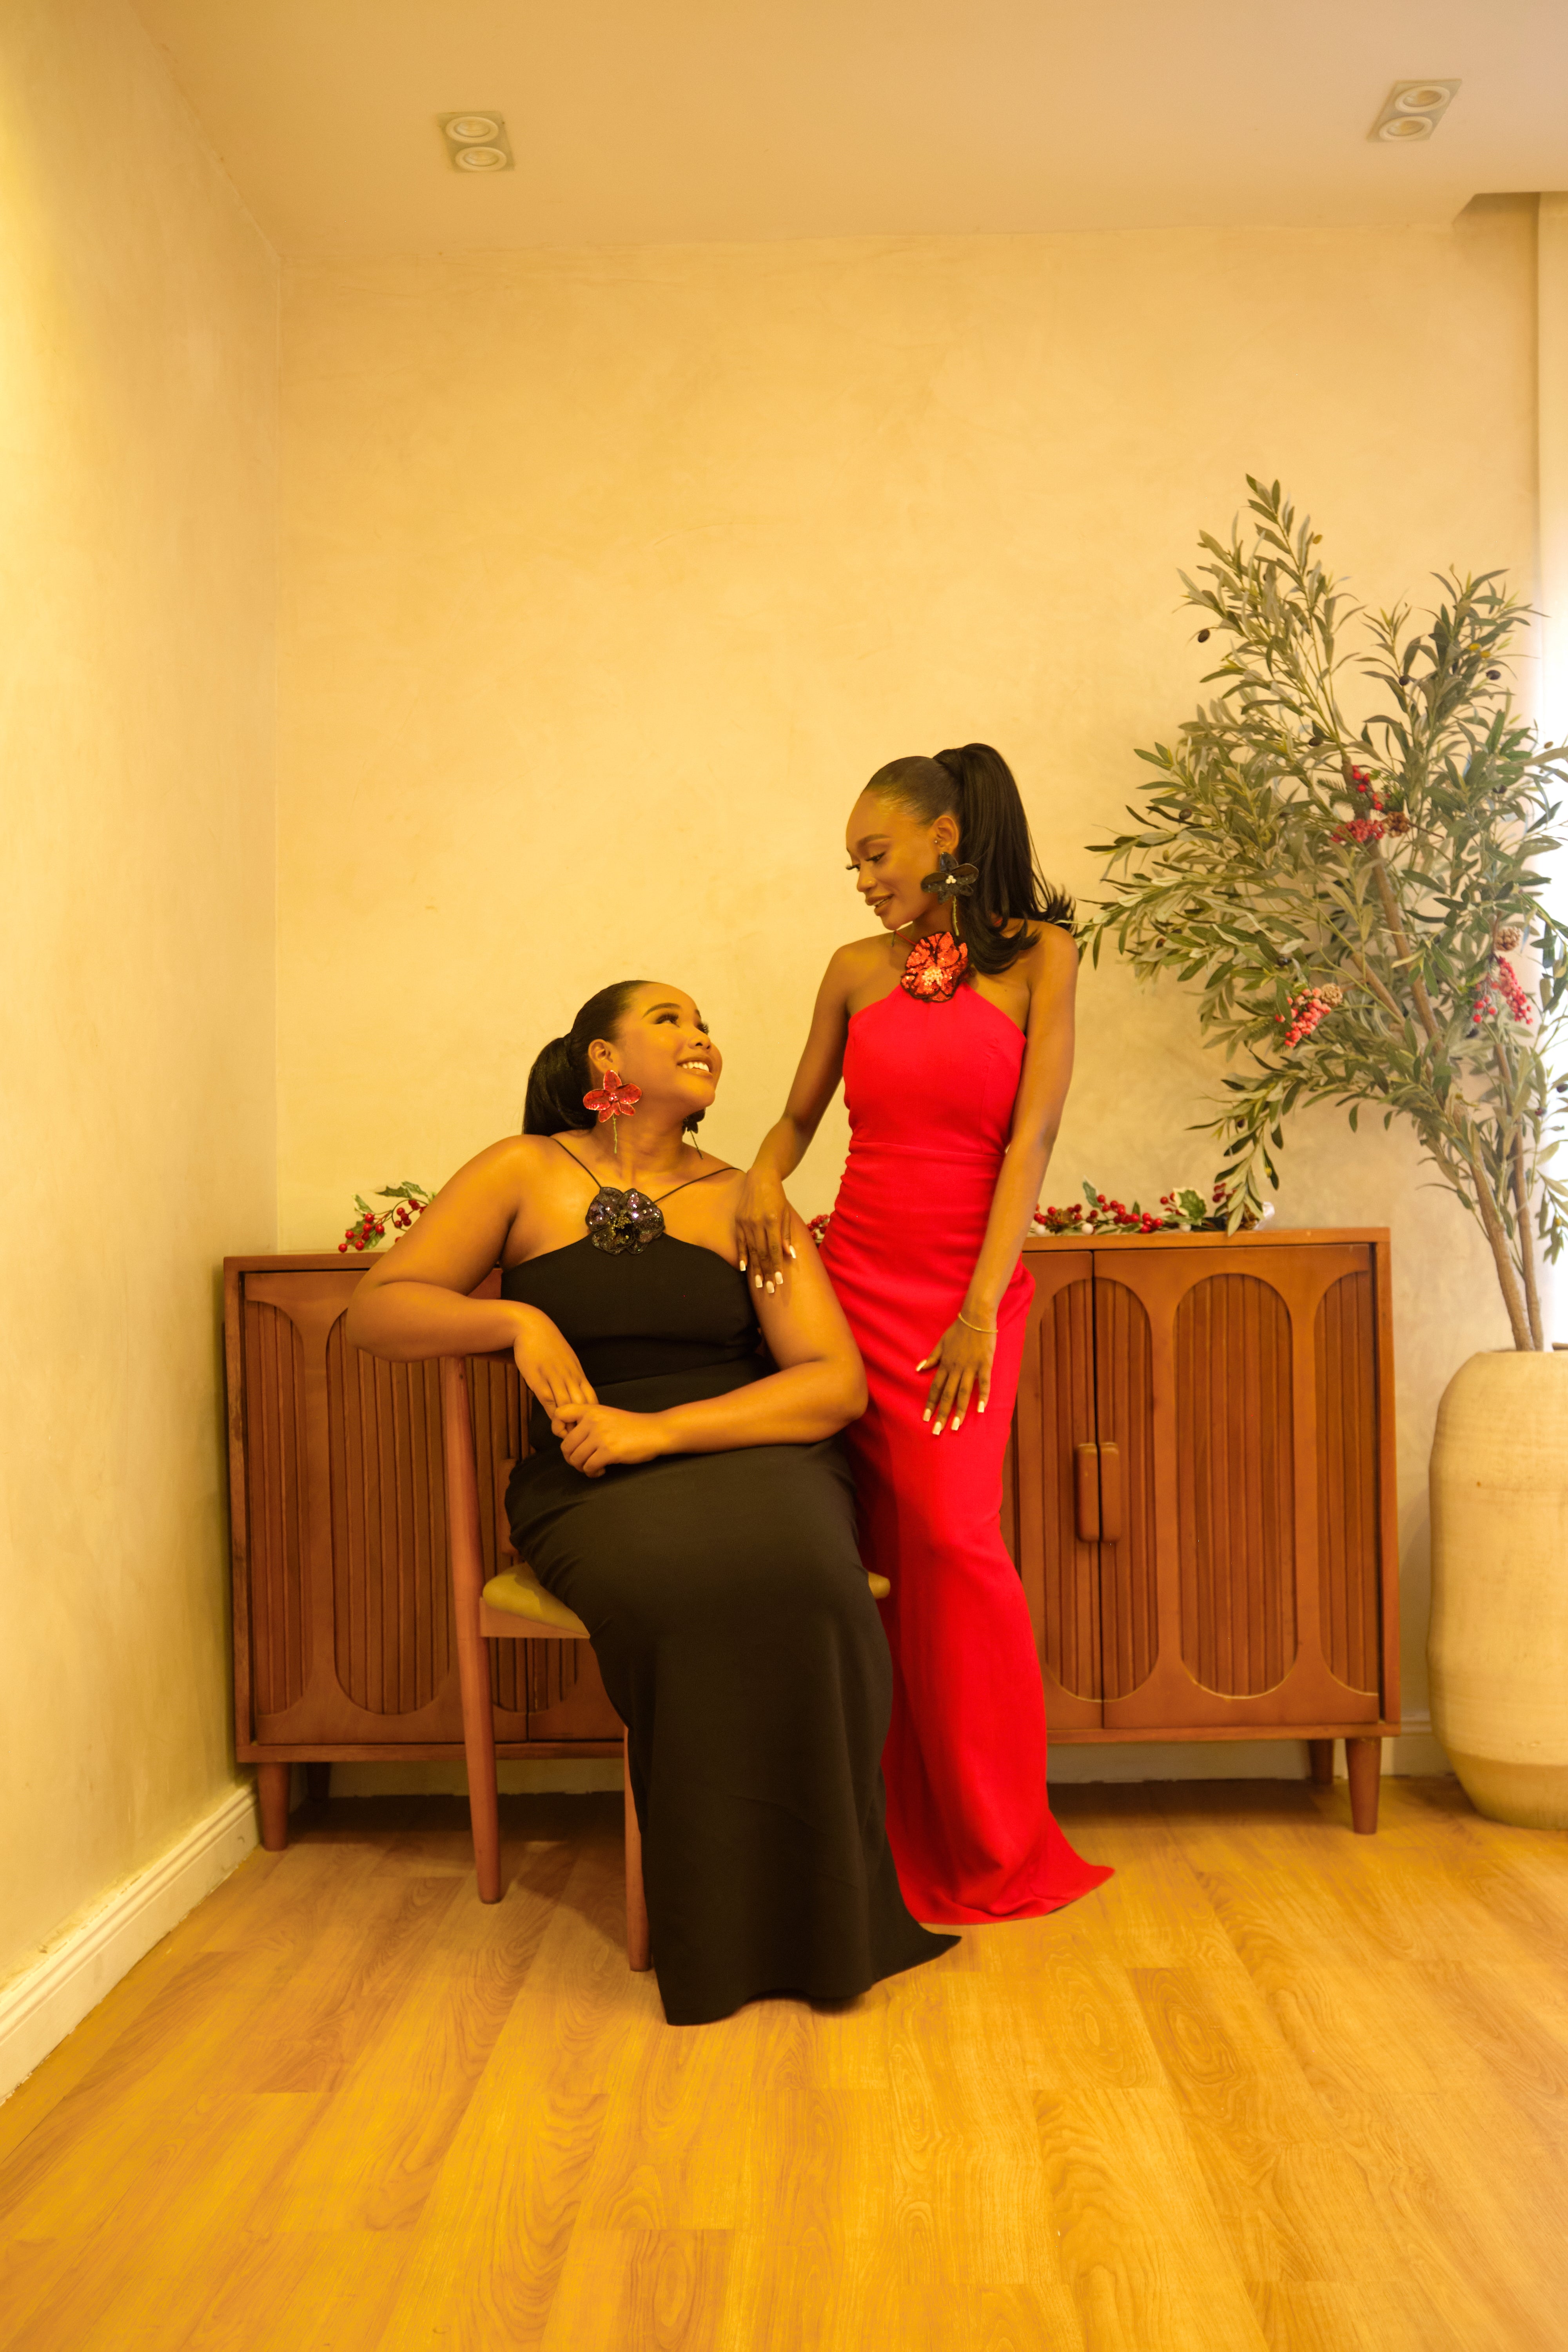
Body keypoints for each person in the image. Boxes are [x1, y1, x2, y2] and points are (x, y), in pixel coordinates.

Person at [345, 979, 955, 2025]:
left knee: (812, 1580)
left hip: (751, 1450)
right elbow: (378, 1310)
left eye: (707, 1023)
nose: (701, 1036)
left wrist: (661, 1430)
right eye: (671, 1020)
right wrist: (517, 1325)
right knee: (683, 1586)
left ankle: (831, 1922)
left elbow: (831, 1382)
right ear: (604, 1060)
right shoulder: (523, 1171)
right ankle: (718, 1934)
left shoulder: (746, 1199)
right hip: (591, 1473)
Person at [737, 746, 1111, 1926]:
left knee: (954, 1544)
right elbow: (799, 1116)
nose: (862, 880)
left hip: (965, 1297)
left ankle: (995, 1842)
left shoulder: (1044, 957)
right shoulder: (854, 971)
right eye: (853, 863)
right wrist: (760, 1175)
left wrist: (978, 1311)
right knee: (865, 1562)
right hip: (852, 1287)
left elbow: (1031, 1142)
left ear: (945, 837)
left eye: (875, 854)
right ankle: (877, 1837)